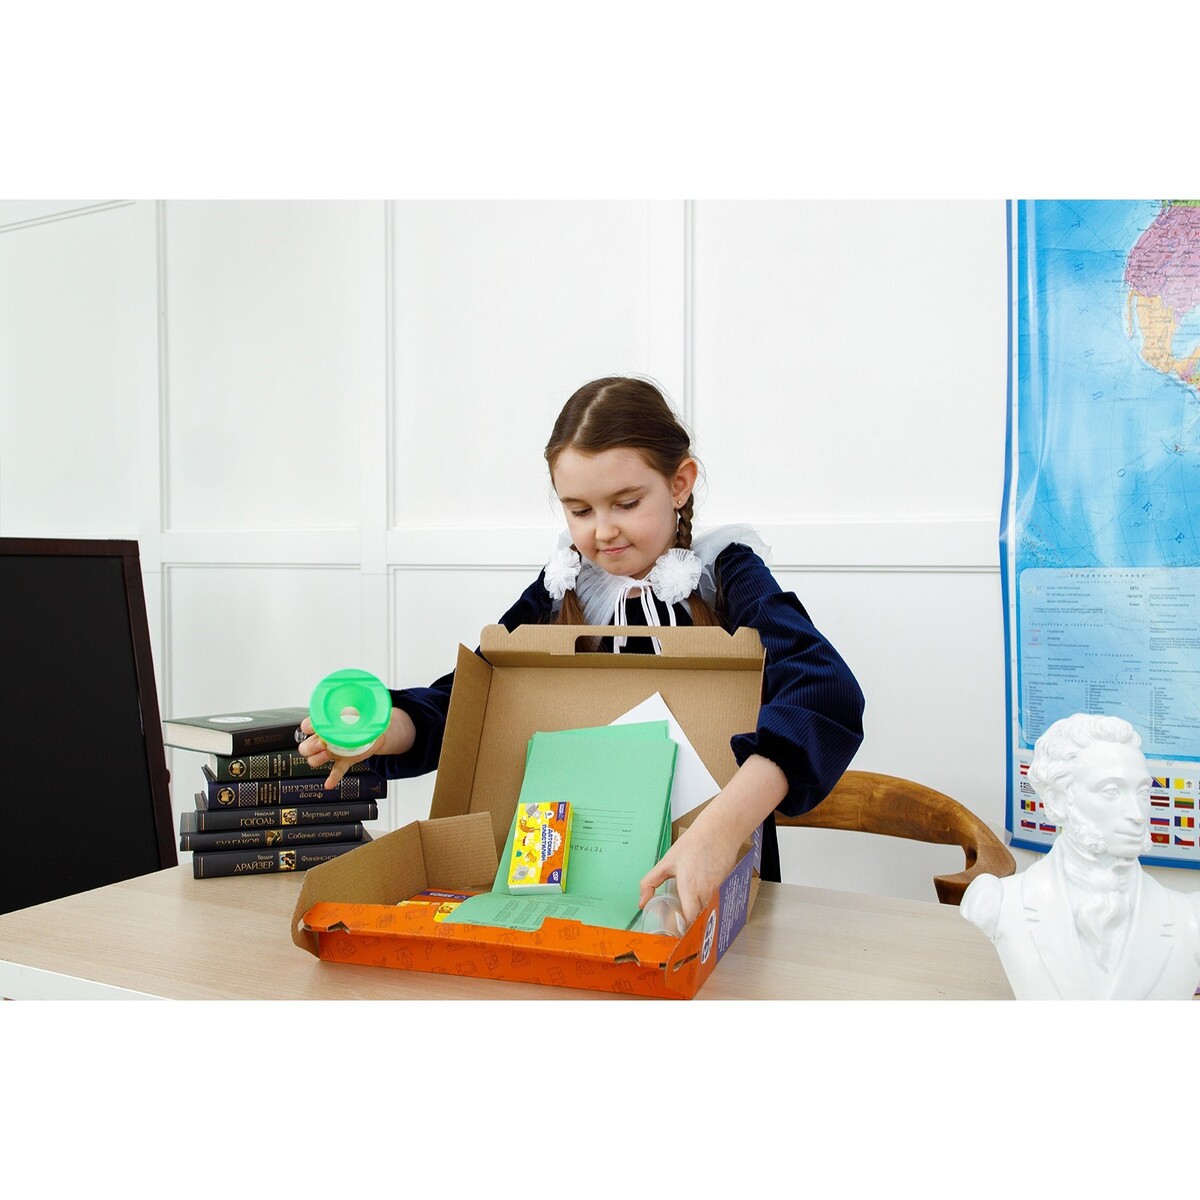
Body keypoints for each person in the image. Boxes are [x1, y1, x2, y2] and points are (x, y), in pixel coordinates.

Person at [298, 376, 866, 925]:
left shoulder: (728, 573)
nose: (603, 531)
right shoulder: (562, 584)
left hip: (706, 887)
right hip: (570, 886)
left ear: (679, 483)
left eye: (626, 502)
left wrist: (719, 830)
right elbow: (468, 707)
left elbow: (823, 691)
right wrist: (388, 730)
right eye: (580, 510)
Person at [961, 713, 1200, 1000]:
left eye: (1142, 791)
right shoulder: (999, 903)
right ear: (1058, 801)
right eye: (1111, 791)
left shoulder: (1189, 918)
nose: (1137, 814)